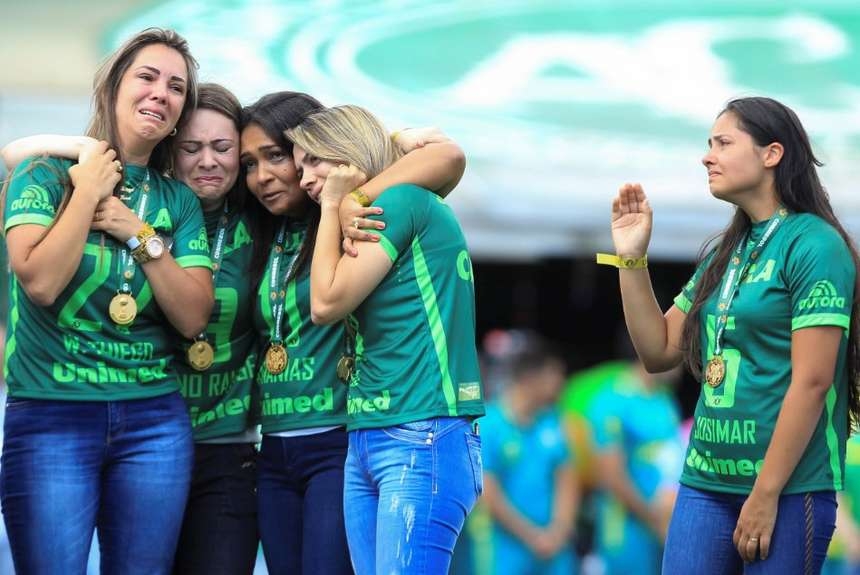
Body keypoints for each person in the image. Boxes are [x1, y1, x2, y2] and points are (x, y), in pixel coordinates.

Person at [1, 82, 260, 574]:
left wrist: (136, 232)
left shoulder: (259, 215)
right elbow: (18, 155)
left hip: (210, 440)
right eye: (192, 147)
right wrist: (91, 164)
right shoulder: (136, 188)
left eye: (223, 148)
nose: (208, 160)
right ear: (171, 148)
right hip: (89, 413)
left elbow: (193, 318)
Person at [602, 96, 859, 573]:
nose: (707, 156)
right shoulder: (729, 250)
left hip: (787, 488)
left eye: (723, 143)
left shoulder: (815, 245)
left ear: (772, 154)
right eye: (709, 144)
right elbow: (658, 351)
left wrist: (765, 493)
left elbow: (813, 382)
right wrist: (631, 258)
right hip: (704, 483)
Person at [241, 93, 469, 574]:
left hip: (421, 429)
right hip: (369, 432)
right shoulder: (366, 208)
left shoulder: (397, 201)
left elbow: (325, 304)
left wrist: (340, 201)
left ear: (348, 150)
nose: (305, 178)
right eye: (300, 166)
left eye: (312, 161)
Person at [478, 338, 578, 575]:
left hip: (555, 551)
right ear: (530, 377)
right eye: (554, 373)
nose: (560, 382)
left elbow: (567, 479)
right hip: (506, 550)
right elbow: (487, 491)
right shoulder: (489, 424)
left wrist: (558, 532)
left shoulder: (555, 422)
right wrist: (533, 537)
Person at [587, 359, 684, 574]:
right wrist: (653, 519)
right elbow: (611, 476)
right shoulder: (612, 400)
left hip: (663, 529)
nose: (682, 362)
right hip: (627, 533)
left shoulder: (664, 398)